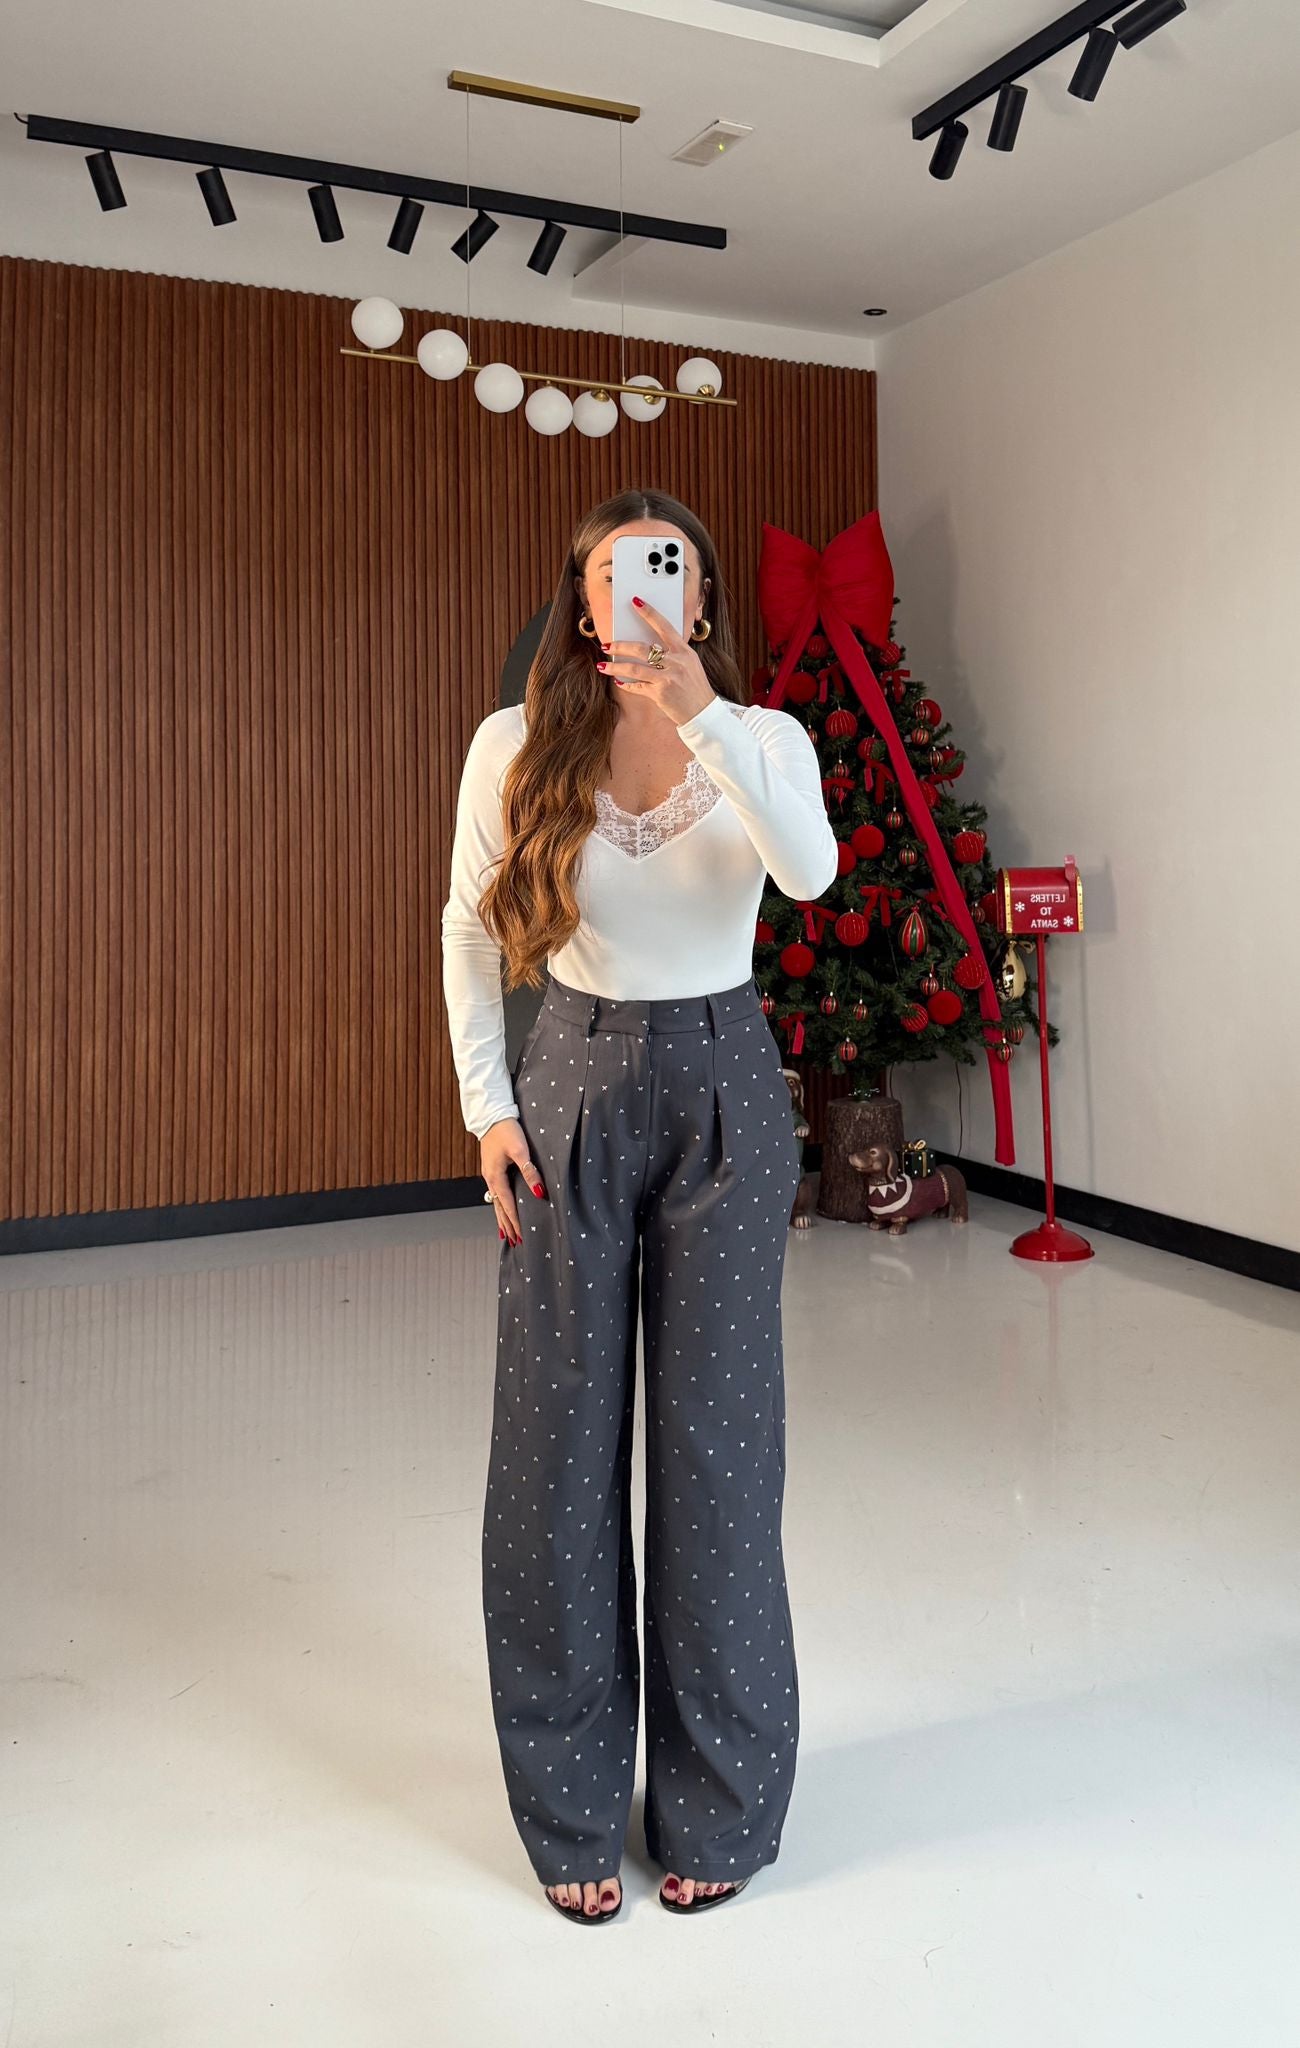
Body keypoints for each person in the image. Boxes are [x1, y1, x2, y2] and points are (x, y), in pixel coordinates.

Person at [440, 487, 838, 1923]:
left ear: (703, 598)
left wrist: (700, 712)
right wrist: (488, 1103)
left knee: (720, 1449)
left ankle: (719, 1799)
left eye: (664, 576)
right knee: (555, 1449)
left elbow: (809, 874)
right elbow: (466, 922)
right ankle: (565, 1807)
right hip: (571, 1076)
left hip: (727, 1076)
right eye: (611, 580)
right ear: (580, 602)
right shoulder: (515, 744)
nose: (639, 600)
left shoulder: (766, 740)